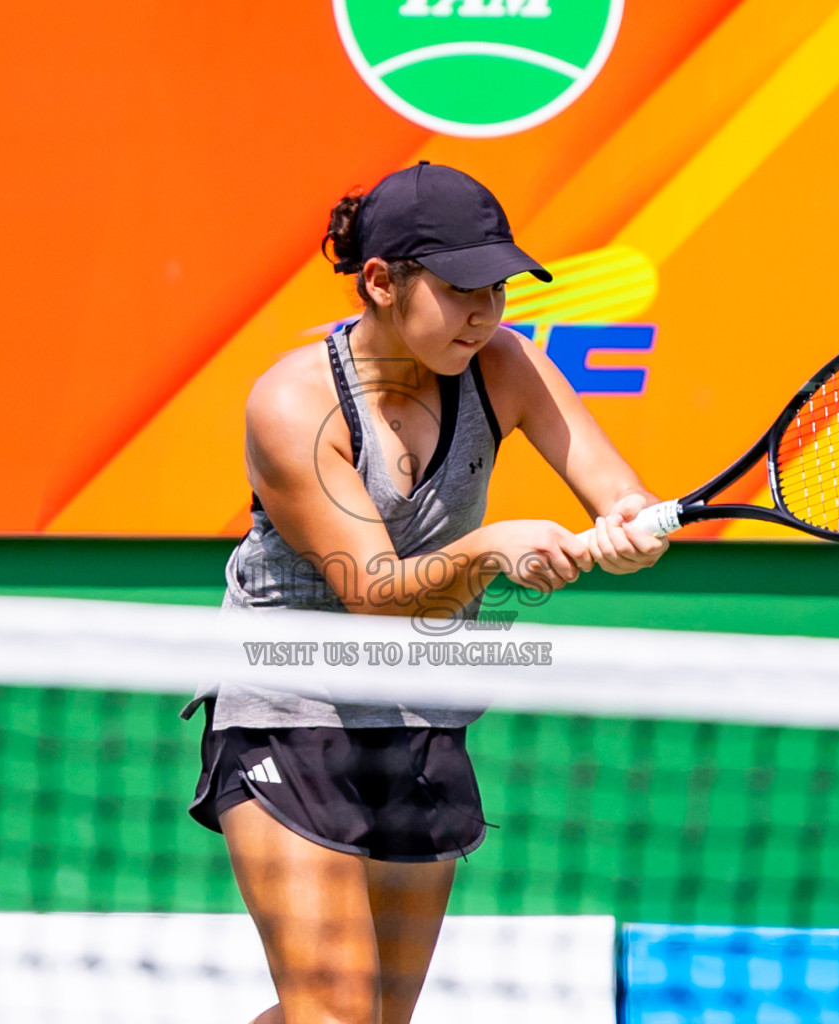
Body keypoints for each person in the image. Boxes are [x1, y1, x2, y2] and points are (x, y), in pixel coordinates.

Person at [182, 162, 667, 1024]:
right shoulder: (293, 402)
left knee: (375, 1021)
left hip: (420, 713)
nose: (485, 312)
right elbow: (370, 589)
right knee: (334, 1013)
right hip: (290, 704)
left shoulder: (504, 363)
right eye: (460, 288)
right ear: (380, 281)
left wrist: (629, 533)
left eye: (500, 289)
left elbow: (615, 495)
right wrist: (489, 550)